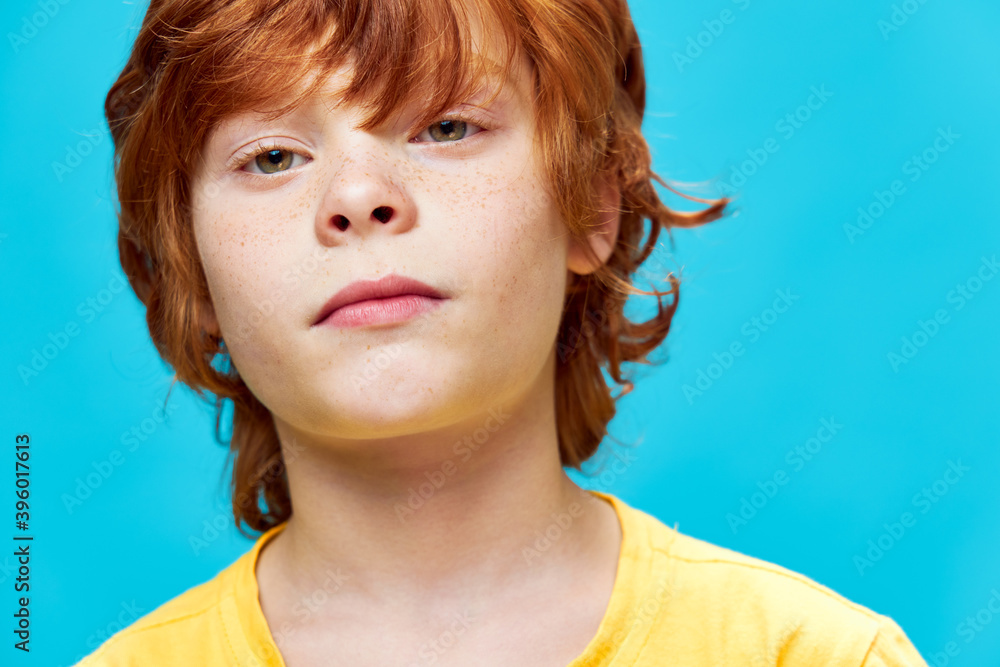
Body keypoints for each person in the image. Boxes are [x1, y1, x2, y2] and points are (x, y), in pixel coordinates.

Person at [77, 0, 929, 664]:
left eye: (447, 127)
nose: (359, 195)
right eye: (271, 157)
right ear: (193, 266)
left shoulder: (813, 655)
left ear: (591, 207)